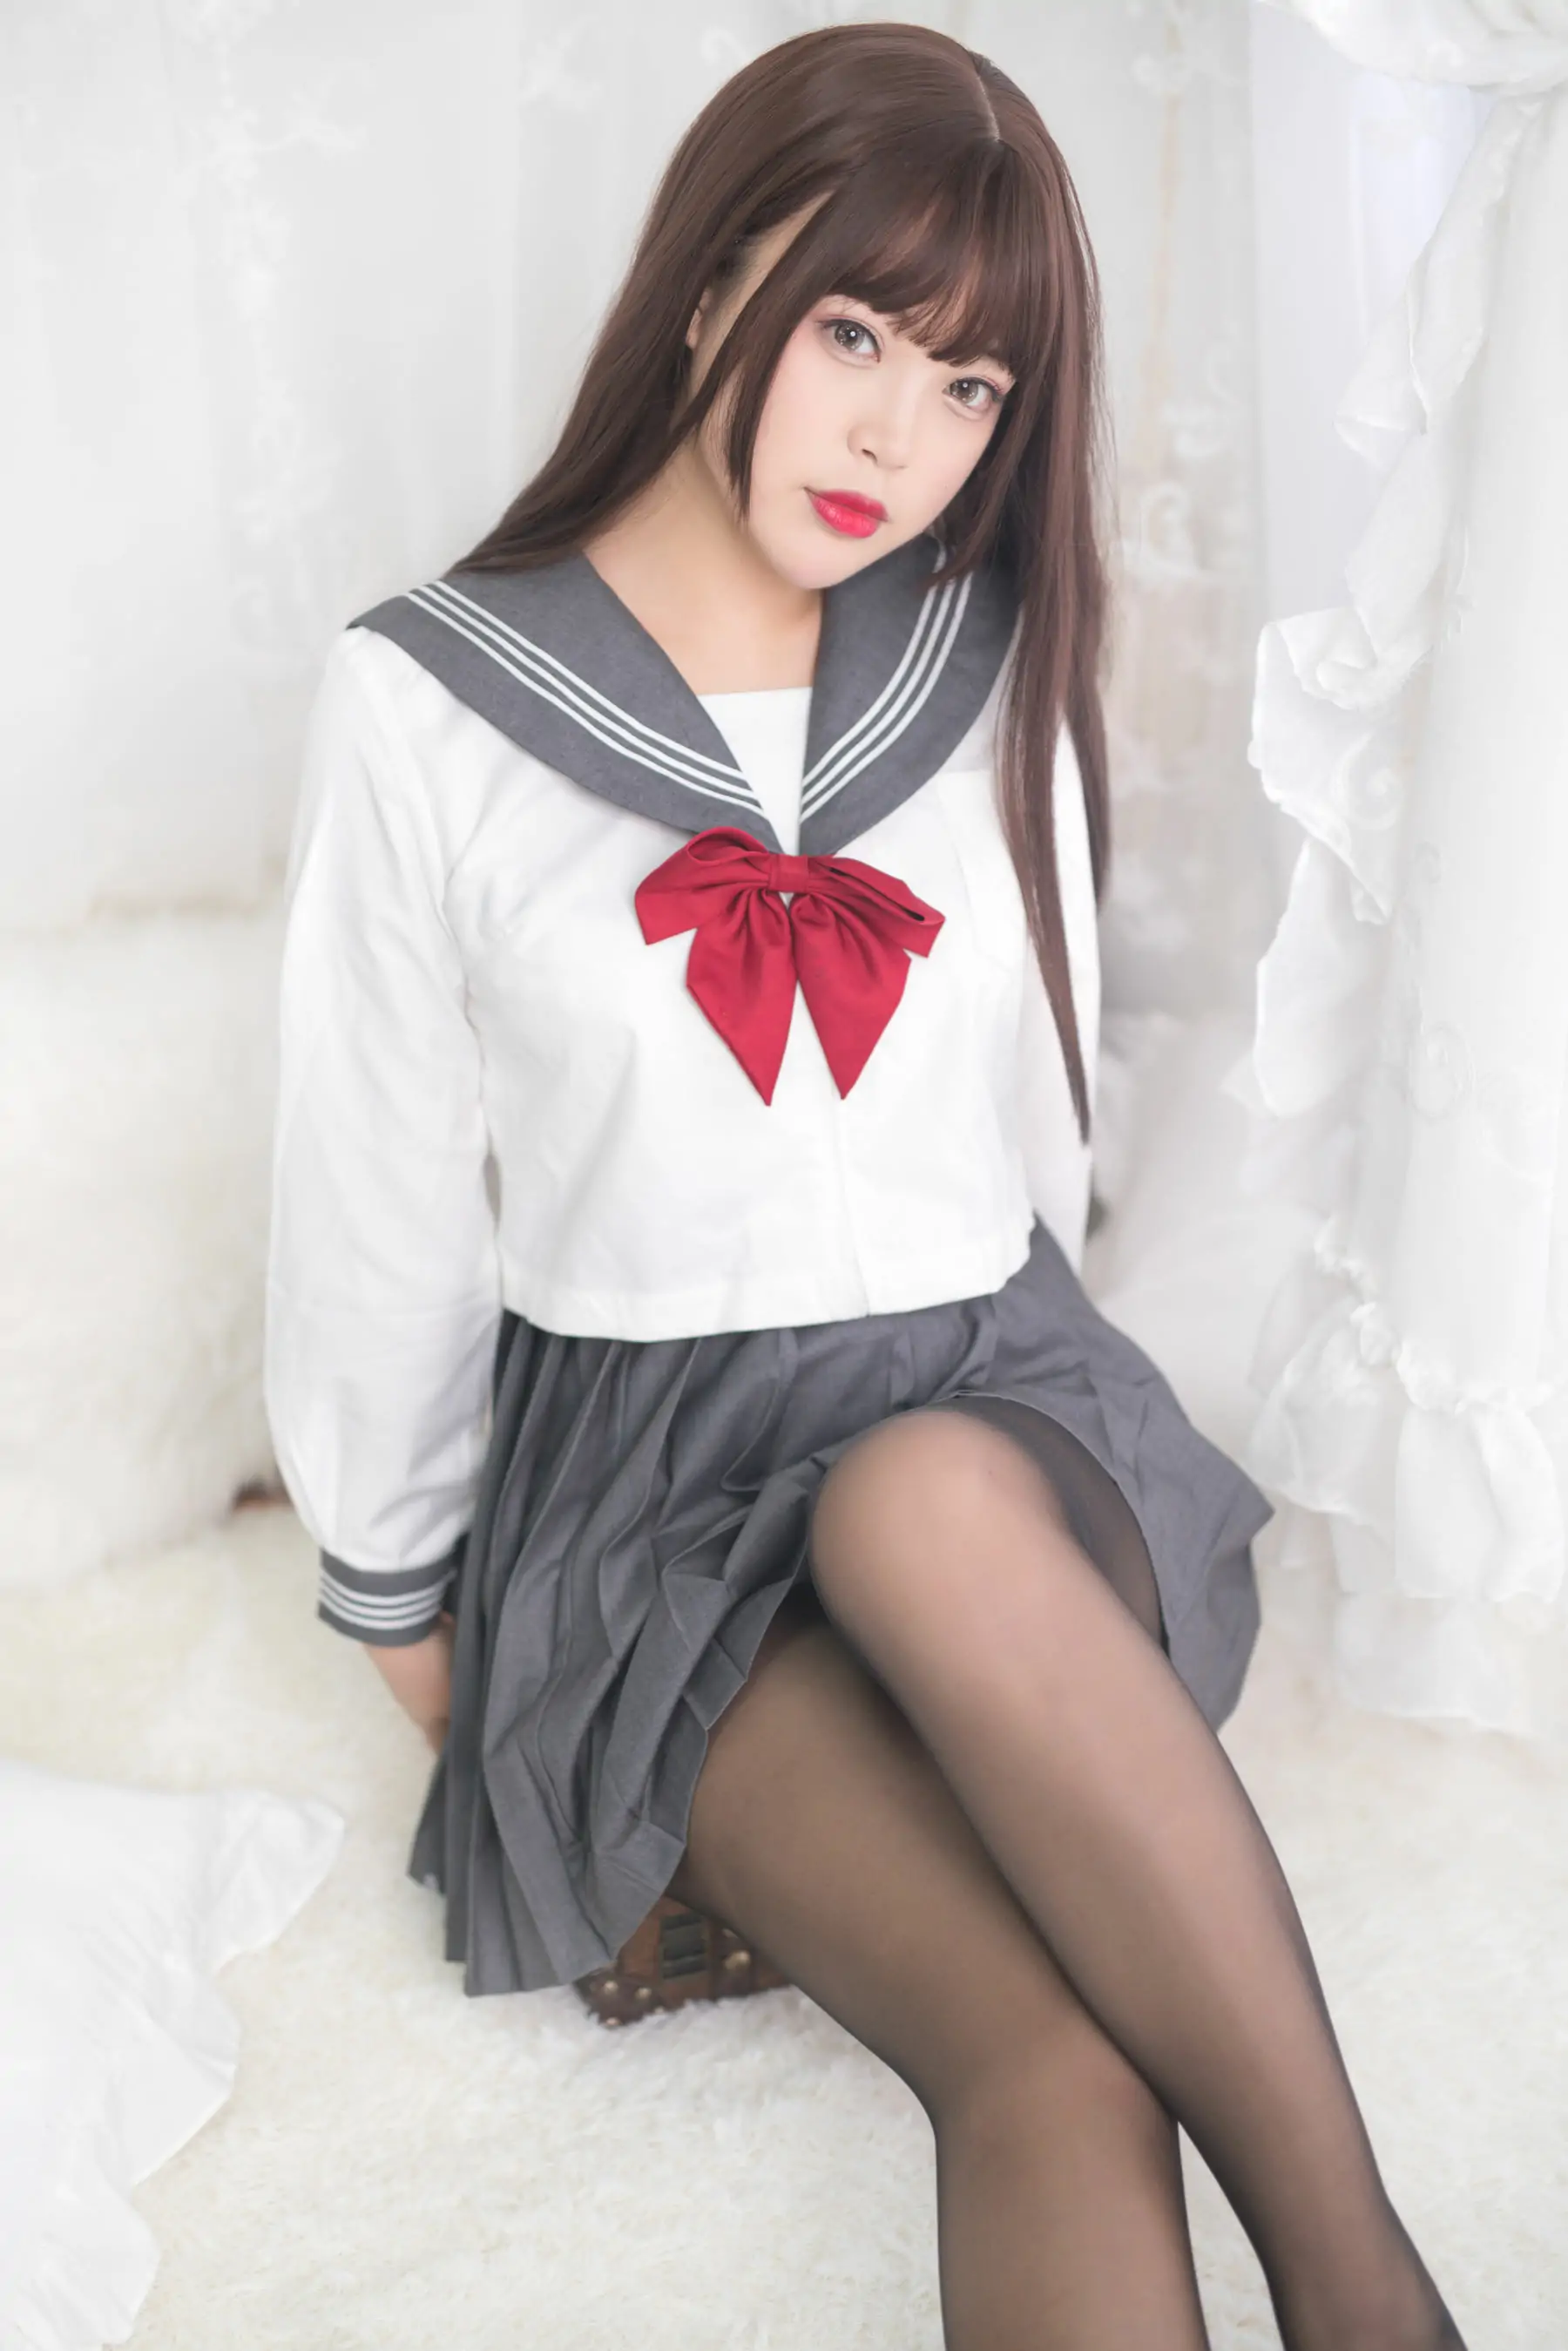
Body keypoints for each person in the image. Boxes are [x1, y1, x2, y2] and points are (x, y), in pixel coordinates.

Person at [263, 23, 1467, 2348]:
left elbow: (1040, 1122)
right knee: (1053, 2061)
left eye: (970, 386)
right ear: (715, 278)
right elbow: (376, 1200)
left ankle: (1367, 2300)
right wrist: (423, 1627)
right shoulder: (427, 708)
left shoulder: (981, 659)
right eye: (854, 337)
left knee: (919, 1498)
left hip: (985, 1429)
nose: (899, 441)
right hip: (661, 1509)